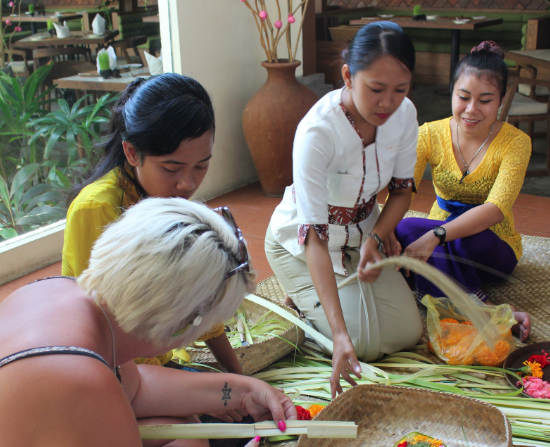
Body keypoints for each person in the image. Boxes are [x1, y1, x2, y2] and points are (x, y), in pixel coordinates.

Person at [0, 197, 296, 447]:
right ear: (180, 326)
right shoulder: (79, 390)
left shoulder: (58, 295)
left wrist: (238, 390)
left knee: (185, 435)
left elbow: (134, 388)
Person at [265, 21, 423, 398]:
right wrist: (338, 336)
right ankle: (301, 303)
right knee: (361, 344)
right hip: (302, 247)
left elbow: (402, 192)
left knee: (406, 332)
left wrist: (379, 237)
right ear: (348, 76)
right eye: (376, 89)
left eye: (400, 90)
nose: (388, 103)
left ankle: (330, 299)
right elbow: (314, 238)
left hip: (363, 234)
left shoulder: (404, 115)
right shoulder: (317, 132)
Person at [62, 72, 242, 372]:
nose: (187, 184)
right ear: (132, 152)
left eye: (201, 166)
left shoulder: (169, 199)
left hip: (154, 360)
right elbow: (107, 333)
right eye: (171, 168)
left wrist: (238, 373)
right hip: (111, 367)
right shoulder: (96, 209)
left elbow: (203, 294)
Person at [395, 41, 532, 341]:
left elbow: (495, 210)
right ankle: (481, 306)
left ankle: (452, 296)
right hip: (440, 238)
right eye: (464, 97)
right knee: (403, 228)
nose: (471, 110)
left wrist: (436, 235)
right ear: (452, 92)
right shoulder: (429, 133)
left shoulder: (516, 142)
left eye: (485, 100)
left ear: (501, 100)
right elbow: (403, 192)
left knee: (448, 240)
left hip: (490, 244)